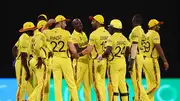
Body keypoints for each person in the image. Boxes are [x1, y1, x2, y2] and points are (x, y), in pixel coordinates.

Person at [42, 15, 79, 101]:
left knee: (57, 84)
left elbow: (42, 31)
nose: (66, 24)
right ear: (60, 22)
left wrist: (47, 24)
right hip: (65, 59)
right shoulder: (66, 33)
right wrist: (76, 54)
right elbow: (72, 48)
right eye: (64, 22)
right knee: (71, 83)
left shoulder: (49, 32)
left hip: (55, 60)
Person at [78, 14, 111, 101]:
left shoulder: (94, 34)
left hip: (95, 61)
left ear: (98, 22)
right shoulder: (108, 34)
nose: (92, 23)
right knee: (102, 83)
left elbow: (88, 50)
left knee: (96, 84)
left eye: (93, 21)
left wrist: (79, 54)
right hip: (104, 61)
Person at [97, 19, 130, 101]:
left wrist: (101, 56)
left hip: (114, 63)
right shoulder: (124, 38)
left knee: (114, 86)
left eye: (110, 27)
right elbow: (129, 50)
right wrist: (122, 56)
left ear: (114, 28)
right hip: (122, 62)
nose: (109, 29)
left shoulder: (111, 38)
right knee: (122, 84)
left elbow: (107, 52)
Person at [142, 19, 169, 101]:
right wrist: (164, 60)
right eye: (157, 25)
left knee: (150, 84)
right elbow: (158, 47)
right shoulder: (155, 34)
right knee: (156, 84)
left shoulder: (145, 35)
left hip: (144, 59)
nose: (159, 26)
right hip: (151, 60)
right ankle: (140, 97)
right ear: (153, 26)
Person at [128, 14, 151, 101]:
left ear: (134, 21)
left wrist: (132, 61)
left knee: (137, 82)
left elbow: (134, 46)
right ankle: (137, 99)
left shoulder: (136, 31)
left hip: (136, 57)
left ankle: (143, 99)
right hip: (140, 56)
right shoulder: (142, 31)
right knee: (137, 81)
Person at [12, 21, 36, 101]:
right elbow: (23, 56)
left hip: (24, 62)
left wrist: (16, 58)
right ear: (28, 30)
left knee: (27, 84)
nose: (34, 31)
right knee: (21, 85)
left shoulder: (26, 37)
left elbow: (14, 48)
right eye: (32, 29)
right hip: (23, 63)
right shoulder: (24, 37)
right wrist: (27, 70)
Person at [27, 20, 50, 101]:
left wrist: (32, 58)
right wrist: (39, 58)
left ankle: (30, 99)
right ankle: (31, 99)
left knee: (41, 83)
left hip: (34, 60)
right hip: (39, 60)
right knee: (42, 83)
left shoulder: (33, 37)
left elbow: (29, 49)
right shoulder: (40, 35)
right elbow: (37, 48)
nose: (47, 30)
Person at [71, 18, 91, 101]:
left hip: (86, 62)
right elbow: (76, 50)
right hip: (79, 63)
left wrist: (89, 48)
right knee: (77, 84)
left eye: (80, 23)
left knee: (87, 85)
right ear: (73, 26)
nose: (79, 25)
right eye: (77, 24)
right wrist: (89, 47)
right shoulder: (74, 36)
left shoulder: (83, 33)